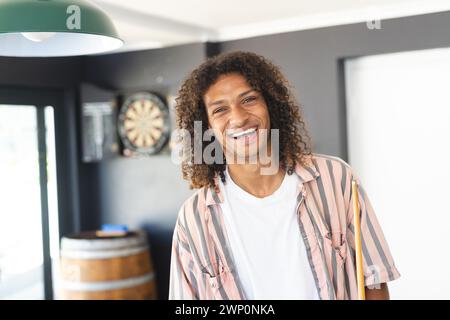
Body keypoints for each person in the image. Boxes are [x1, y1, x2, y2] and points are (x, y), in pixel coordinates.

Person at [169, 51, 400, 300]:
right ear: (206, 126)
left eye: (248, 99)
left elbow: (374, 281)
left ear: (270, 104)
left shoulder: (336, 178)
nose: (238, 117)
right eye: (220, 110)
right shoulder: (193, 218)